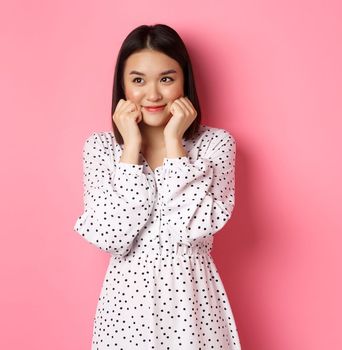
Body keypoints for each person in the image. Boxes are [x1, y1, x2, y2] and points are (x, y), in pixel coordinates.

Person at [73, 24, 242, 349]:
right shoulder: (101, 149)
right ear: (122, 85)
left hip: (192, 307)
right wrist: (131, 150)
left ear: (185, 81)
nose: (152, 94)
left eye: (166, 79)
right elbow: (112, 237)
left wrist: (174, 144)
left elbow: (191, 229)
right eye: (138, 80)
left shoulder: (215, 145)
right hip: (125, 310)